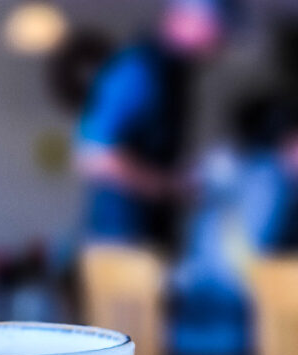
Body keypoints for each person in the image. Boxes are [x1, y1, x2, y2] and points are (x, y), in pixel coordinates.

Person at [75, 0, 240, 250]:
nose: (220, 45)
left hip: (154, 239)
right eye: (217, 31)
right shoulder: (138, 69)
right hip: (122, 245)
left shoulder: (176, 75)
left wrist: (187, 178)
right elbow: (94, 158)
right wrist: (171, 186)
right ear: (186, 20)